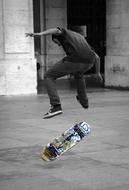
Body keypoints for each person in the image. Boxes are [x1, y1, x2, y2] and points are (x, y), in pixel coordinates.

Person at [26, 27, 103, 119]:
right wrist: (97, 72)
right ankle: (84, 101)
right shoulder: (80, 38)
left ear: (56, 38)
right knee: (79, 75)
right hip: (90, 62)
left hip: (75, 60)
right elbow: (97, 57)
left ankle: (56, 106)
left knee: (48, 76)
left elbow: (55, 29)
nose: (58, 45)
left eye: (56, 42)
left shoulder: (64, 33)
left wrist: (39, 34)